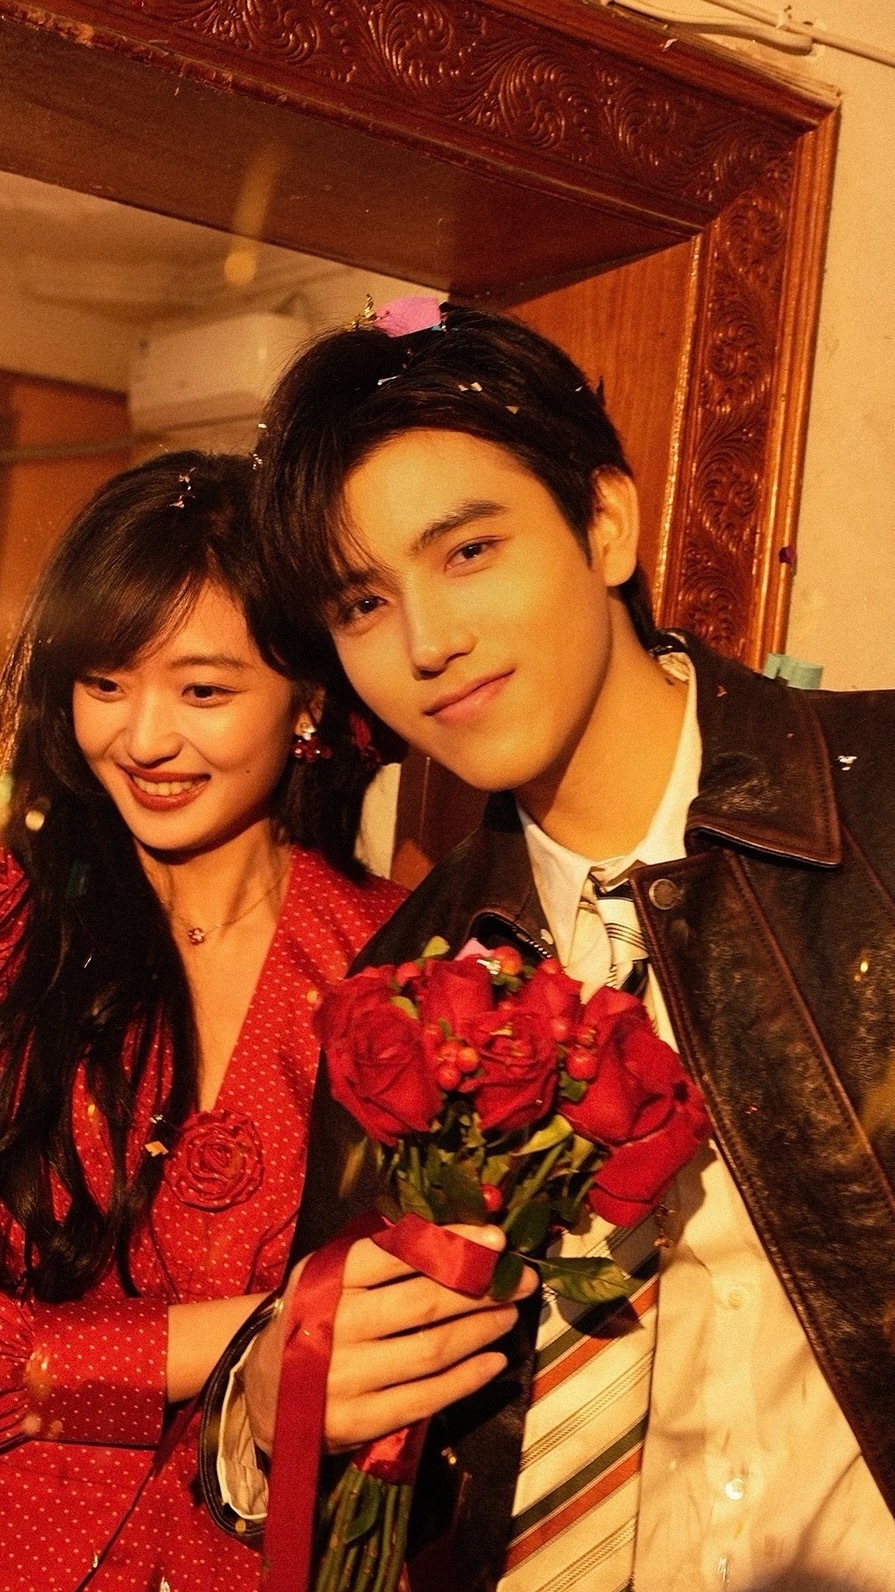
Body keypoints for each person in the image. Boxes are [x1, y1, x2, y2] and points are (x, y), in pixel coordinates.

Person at [202, 302, 895, 1592]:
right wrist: (273, 1396)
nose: (428, 643)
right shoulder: (404, 982)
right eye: (363, 602)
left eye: (469, 550)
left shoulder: (879, 815)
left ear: (604, 522)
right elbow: (357, 1363)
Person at [0, 450, 406, 1592]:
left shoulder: (397, 968)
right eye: (105, 682)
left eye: (203, 691)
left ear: (309, 697)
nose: (142, 739)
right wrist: (271, 1332)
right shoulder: (14, 929)